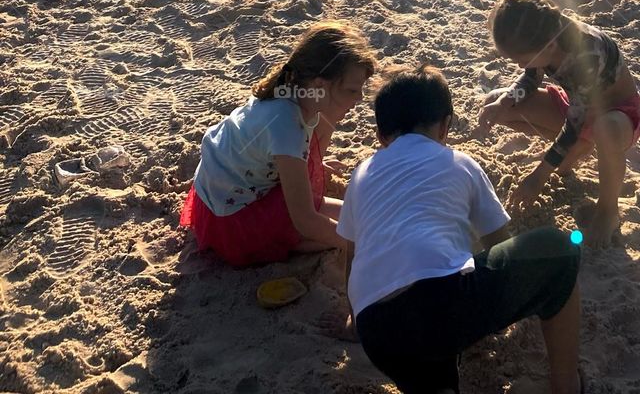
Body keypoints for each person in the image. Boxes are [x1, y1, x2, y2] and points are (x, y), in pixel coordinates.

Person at [338, 65, 584, 394]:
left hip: (377, 331)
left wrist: (356, 322)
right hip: (443, 303)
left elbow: (351, 256)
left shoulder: (361, 174)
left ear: (381, 136)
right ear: (445, 126)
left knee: (428, 364)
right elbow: (500, 245)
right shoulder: (460, 163)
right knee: (559, 249)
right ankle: (566, 384)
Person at [179, 22, 376, 267]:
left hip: (223, 186)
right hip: (232, 218)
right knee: (323, 232)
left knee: (356, 218)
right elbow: (306, 220)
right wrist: (361, 245)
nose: (359, 99)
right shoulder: (287, 125)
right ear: (319, 85)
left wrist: (317, 166)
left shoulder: (296, 92)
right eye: (352, 90)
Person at [478, 0, 640, 247]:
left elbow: (573, 125)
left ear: (550, 46)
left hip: (617, 116)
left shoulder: (586, 53)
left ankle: (607, 210)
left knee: (604, 129)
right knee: (496, 104)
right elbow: (532, 78)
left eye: (521, 60)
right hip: (576, 107)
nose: (519, 66)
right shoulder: (543, 34)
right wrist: (506, 101)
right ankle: (579, 149)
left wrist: (539, 175)